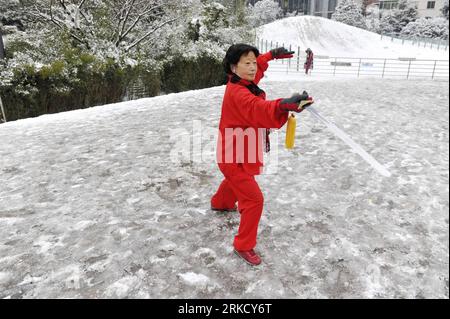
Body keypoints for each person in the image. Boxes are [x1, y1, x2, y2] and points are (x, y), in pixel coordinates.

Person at [210, 44, 314, 266]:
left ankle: (221, 202)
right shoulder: (239, 93)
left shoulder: (242, 81)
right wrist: (284, 105)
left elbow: (257, 70)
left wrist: (270, 56)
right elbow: (259, 109)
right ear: (232, 67)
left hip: (237, 152)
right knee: (254, 199)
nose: (252, 68)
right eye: (246, 63)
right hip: (233, 155)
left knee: (237, 180)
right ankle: (243, 245)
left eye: (253, 63)